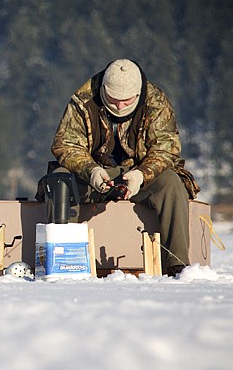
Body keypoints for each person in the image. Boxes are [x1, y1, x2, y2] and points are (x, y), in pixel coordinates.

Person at [43, 59, 200, 277]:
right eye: (113, 100)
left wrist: (140, 176)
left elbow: (166, 149)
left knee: (172, 183)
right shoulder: (82, 100)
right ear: (104, 90)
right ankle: (60, 260)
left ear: (137, 94)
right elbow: (66, 145)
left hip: (138, 173)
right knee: (60, 181)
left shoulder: (156, 103)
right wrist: (92, 171)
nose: (119, 107)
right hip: (94, 173)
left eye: (126, 102)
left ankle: (177, 264)